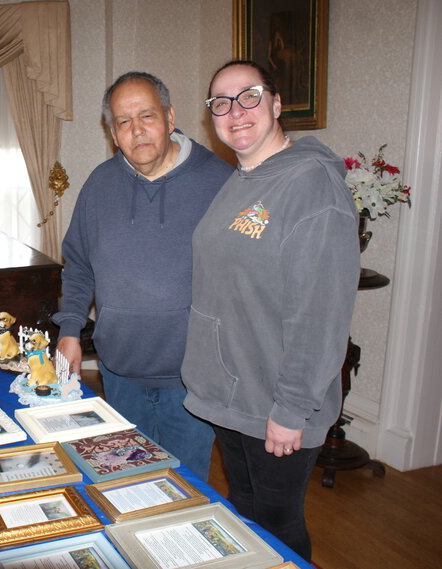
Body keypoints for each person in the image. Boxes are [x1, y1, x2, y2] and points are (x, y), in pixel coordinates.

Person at [181, 60, 359, 561]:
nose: (235, 112)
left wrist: (291, 409)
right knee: (246, 512)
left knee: (278, 525)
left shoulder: (312, 186)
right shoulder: (243, 178)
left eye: (249, 96)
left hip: (277, 403)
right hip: (233, 392)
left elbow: (321, 313)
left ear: (277, 104)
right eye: (221, 102)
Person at [52, 71, 232, 482]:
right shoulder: (99, 186)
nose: (137, 131)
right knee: (123, 489)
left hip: (191, 383)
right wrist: (69, 330)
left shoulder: (220, 183)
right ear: (113, 134)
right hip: (119, 376)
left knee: (185, 495)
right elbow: (78, 265)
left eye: (147, 116)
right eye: (123, 121)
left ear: (170, 118)